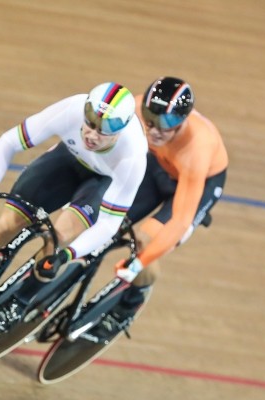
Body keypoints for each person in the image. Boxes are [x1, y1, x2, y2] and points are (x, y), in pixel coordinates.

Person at [0, 82, 148, 333]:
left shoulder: (132, 156)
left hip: (100, 183)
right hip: (67, 160)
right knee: (7, 225)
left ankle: (18, 302)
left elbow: (110, 223)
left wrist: (67, 255)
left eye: (105, 130)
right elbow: (11, 141)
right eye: (90, 123)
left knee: (59, 237)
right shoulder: (72, 109)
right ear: (85, 111)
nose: (93, 135)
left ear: (121, 129)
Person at [90, 76, 228, 341]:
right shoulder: (137, 107)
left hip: (197, 183)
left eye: (165, 124)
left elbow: (179, 221)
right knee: (104, 220)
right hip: (158, 167)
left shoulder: (197, 147)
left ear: (182, 121)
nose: (153, 130)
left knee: (144, 241)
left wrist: (137, 264)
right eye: (149, 118)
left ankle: (131, 302)